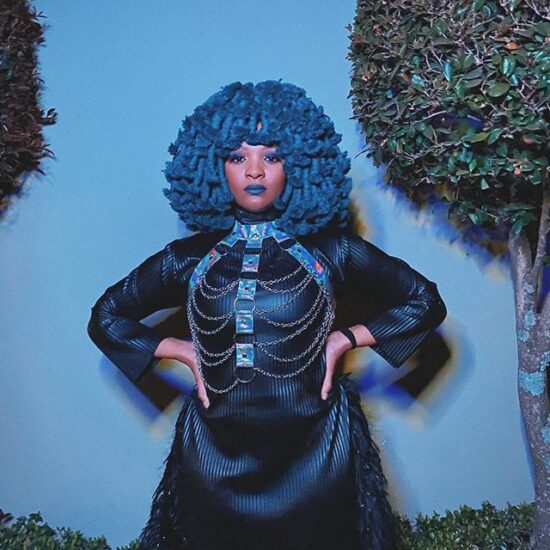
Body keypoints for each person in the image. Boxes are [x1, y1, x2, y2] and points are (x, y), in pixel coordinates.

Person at [87, 80, 447, 550]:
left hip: (317, 445)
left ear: (298, 162)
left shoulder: (332, 252)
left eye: (272, 156)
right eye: (237, 157)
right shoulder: (188, 259)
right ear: (212, 165)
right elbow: (107, 316)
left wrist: (346, 339)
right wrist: (180, 350)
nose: (254, 170)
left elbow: (424, 301)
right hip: (215, 449)